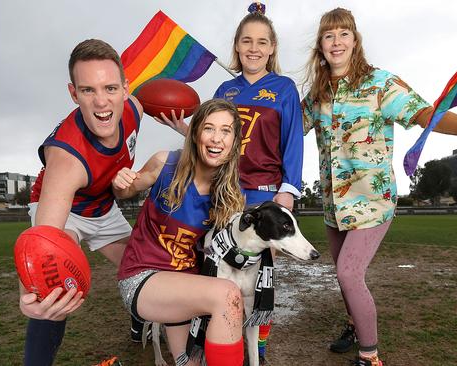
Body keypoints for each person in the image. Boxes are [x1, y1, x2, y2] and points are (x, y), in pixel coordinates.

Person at [301, 8, 457, 366]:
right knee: (344, 279)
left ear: (355, 41)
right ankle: (355, 325)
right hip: (333, 204)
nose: (336, 42)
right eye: (328, 35)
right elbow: (286, 130)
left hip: (373, 200)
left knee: (348, 273)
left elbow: (424, 114)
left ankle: (370, 356)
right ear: (320, 45)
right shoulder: (318, 94)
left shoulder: (382, 83)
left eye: (343, 34)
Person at [157, 4, 303, 362]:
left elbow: (294, 141)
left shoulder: (284, 88)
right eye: (246, 41)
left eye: (262, 42)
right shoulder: (226, 88)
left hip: (265, 193)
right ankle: (218, 340)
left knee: (259, 279)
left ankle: (258, 348)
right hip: (226, 192)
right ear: (237, 47)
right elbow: (215, 137)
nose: (254, 48)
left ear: (272, 48)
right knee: (218, 271)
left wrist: (289, 189)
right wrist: (188, 131)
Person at [20, 38, 149, 366]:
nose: (101, 101)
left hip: (102, 205)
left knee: (146, 267)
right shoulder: (67, 159)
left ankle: (139, 320)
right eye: (88, 90)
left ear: (125, 88)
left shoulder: (135, 109)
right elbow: (43, 241)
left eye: (109, 88)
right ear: (73, 94)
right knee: (54, 294)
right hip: (63, 210)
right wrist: (30, 290)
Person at [113, 98, 246, 366]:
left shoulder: (232, 196)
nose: (216, 138)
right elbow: (125, 191)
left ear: (234, 143)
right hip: (143, 277)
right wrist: (121, 181)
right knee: (227, 295)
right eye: (209, 128)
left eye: (225, 130)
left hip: (186, 282)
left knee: (192, 363)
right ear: (196, 133)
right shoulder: (166, 163)